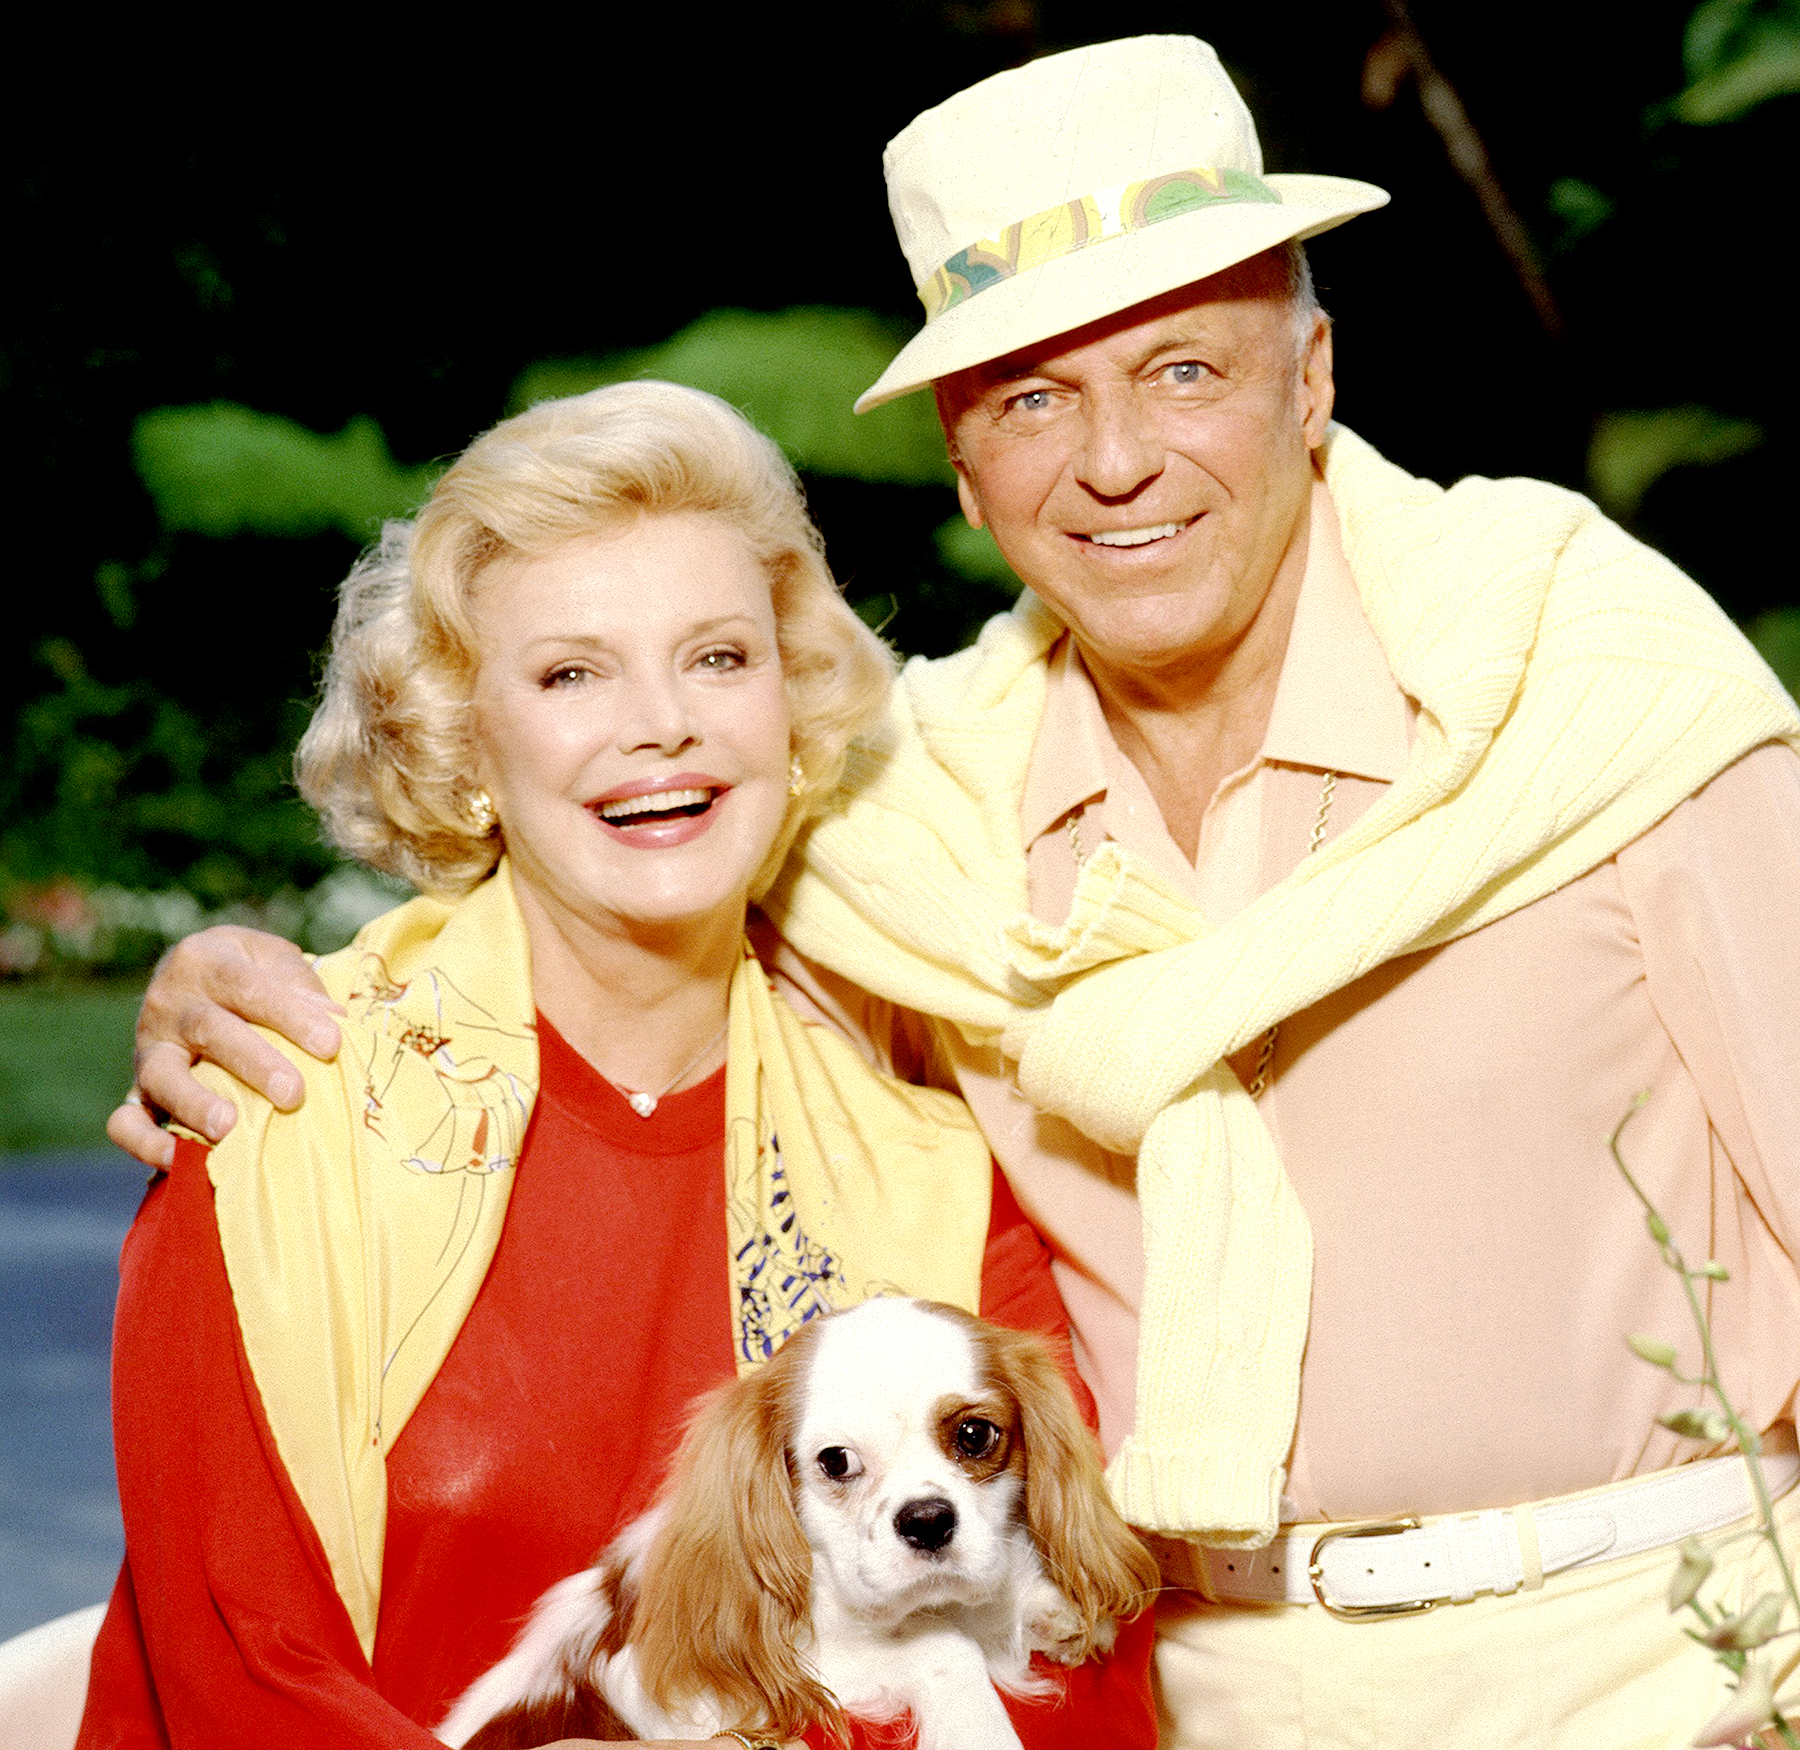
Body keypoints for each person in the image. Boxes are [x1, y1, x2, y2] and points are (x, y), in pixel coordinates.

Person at [115, 35, 1800, 1749]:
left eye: (1185, 370)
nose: (1117, 460)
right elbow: (618, 913)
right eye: (1033, 399)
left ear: (1310, 377)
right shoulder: (910, 827)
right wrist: (231, 997)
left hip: (1664, 1667)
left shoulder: (1595, 689)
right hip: (1200, 1692)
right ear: (963, 460)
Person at [77, 380, 1156, 1749]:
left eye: (718, 657)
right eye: (571, 673)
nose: (663, 723)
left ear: (792, 709)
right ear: (465, 739)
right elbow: (240, 1672)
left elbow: (1072, 1656)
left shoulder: (934, 1173)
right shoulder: (274, 1101)